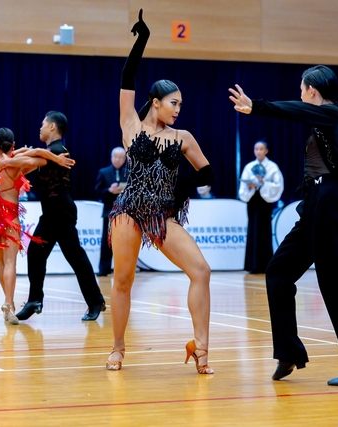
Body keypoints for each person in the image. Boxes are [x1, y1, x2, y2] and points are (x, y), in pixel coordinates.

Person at [229, 64, 338, 386]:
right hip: (316, 203)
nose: (300, 96)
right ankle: (288, 352)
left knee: (333, 286)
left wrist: (257, 106)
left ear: (312, 90)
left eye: (301, 90)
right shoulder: (328, 122)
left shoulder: (334, 115)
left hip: (328, 202)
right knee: (278, 271)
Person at [105, 10, 215, 374]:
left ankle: (201, 349)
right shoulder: (131, 126)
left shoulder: (182, 137)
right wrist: (143, 40)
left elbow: (208, 173)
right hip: (128, 212)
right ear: (156, 102)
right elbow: (127, 77)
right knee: (124, 280)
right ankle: (118, 347)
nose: (178, 109)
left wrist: (182, 188)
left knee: (201, 271)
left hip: (162, 216)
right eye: (173, 103)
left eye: (181, 104)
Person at [0, 111, 107, 322]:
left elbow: (29, 159)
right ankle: (35, 300)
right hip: (51, 210)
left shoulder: (58, 151)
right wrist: (11, 159)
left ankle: (95, 301)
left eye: (43, 124)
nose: (39, 128)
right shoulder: (50, 152)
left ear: (52, 127)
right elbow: (28, 160)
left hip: (61, 209)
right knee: (36, 253)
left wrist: (7, 160)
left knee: (75, 256)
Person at [0, 128, 74, 324]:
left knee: (1, 263)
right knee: (11, 262)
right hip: (9, 215)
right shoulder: (17, 164)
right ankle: (8, 303)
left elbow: (21, 154)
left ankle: (9, 304)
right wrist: (56, 159)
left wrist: (16, 155)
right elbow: (39, 158)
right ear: (13, 144)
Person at [238, 141, 284, 273]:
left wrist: (263, 183)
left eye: (261, 149)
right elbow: (243, 187)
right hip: (253, 201)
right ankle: (252, 265)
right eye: (256, 149)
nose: (258, 151)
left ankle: (266, 264)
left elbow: (278, 185)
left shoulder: (272, 167)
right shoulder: (249, 167)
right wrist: (250, 185)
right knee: (253, 229)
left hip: (265, 202)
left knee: (265, 230)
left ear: (266, 151)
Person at [94, 146, 129, 276]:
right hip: (109, 211)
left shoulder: (129, 173)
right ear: (111, 157)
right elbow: (97, 192)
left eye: (120, 157)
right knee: (107, 242)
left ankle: (124, 270)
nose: (117, 160)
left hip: (125, 213)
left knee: (125, 242)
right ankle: (104, 269)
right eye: (115, 157)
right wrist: (109, 190)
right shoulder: (103, 172)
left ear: (124, 159)